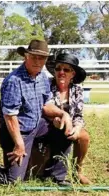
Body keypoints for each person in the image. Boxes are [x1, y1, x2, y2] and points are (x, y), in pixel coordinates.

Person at [0, 39, 73, 185]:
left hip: (36, 125)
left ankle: (56, 175)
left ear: (45, 60)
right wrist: (19, 144)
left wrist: (63, 114)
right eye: (34, 56)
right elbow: (10, 116)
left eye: (41, 58)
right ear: (26, 56)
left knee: (64, 132)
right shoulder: (14, 80)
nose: (38, 61)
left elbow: (46, 104)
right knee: (14, 181)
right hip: (17, 131)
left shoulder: (42, 77)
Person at [39, 53, 91, 184]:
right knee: (37, 171)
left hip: (68, 126)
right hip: (47, 125)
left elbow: (78, 114)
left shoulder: (77, 89)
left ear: (72, 74)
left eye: (66, 69)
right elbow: (42, 108)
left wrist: (77, 128)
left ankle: (77, 172)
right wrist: (53, 120)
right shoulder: (46, 85)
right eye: (58, 68)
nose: (61, 72)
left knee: (83, 136)